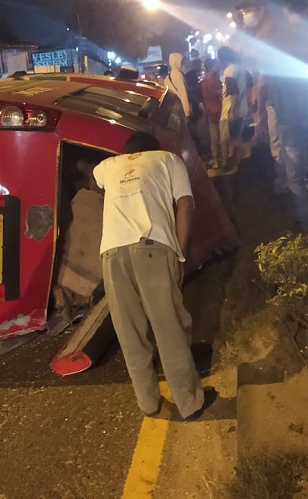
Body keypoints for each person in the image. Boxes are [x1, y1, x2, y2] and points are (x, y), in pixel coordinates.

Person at [93, 131, 216, 420]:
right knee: (169, 328)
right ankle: (189, 403)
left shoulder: (109, 166)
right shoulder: (169, 160)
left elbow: (94, 176)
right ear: (153, 149)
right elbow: (185, 206)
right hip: (153, 248)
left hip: (111, 253)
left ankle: (148, 403)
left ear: (127, 152)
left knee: (130, 332)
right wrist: (180, 255)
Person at [252, 0, 308, 231]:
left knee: (294, 174)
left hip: (288, 117)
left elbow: (262, 82)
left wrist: (259, 115)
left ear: (286, 10)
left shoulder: (274, 40)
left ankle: (307, 225)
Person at [239, 0, 289, 194]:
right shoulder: (261, 36)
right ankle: (287, 180)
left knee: (279, 144)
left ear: (261, 10)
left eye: (247, 10)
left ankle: (284, 183)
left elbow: (263, 79)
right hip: (272, 101)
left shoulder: (268, 37)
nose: (244, 15)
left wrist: (259, 112)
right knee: (281, 144)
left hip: (275, 101)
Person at [217, 45, 250, 173]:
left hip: (231, 111)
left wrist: (231, 112)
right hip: (242, 110)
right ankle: (242, 163)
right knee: (237, 139)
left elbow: (233, 93)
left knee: (231, 140)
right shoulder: (241, 69)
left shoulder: (229, 71)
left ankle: (237, 165)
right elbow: (247, 88)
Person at [200, 58, 224, 169]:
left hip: (210, 112)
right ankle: (223, 159)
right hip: (219, 111)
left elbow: (204, 99)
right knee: (223, 137)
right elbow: (220, 96)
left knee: (213, 138)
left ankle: (215, 160)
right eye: (216, 65)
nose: (218, 67)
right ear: (211, 67)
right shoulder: (215, 81)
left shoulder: (204, 82)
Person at [164, 52, 192, 122]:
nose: (182, 64)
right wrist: (187, 113)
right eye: (181, 62)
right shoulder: (178, 76)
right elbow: (183, 95)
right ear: (175, 62)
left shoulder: (167, 78)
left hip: (173, 110)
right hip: (182, 110)